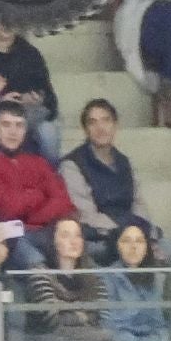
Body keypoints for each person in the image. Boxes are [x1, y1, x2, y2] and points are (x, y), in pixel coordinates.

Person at [0, 101, 73, 238]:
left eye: (19, 125)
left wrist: (32, 219)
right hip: (0, 238)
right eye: (6, 125)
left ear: (25, 130)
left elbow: (63, 202)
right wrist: (38, 195)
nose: (13, 132)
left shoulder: (39, 162)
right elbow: (5, 209)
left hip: (43, 230)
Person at [61, 100, 149, 254]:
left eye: (106, 120)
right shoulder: (72, 165)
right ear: (85, 130)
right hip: (99, 238)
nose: (100, 128)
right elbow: (87, 215)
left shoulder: (125, 162)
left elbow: (139, 204)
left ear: (115, 125)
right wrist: (127, 232)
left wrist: (142, 234)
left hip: (131, 234)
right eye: (92, 122)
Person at [17, 218, 118, 341]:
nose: (73, 241)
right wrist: (83, 316)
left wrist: (70, 315)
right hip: (45, 338)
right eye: (65, 235)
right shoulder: (40, 273)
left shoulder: (93, 275)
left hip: (87, 336)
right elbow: (52, 320)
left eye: (78, 235)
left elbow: (101, 316)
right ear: (54, 242)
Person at [0, 23, 61, 160]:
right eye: (2, 20)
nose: (8, 24)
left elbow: (50, 100)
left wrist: (36, 99)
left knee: (48, 131)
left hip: (26, 117)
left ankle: (50, 175)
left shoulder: (30, 54)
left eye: (13, 20)